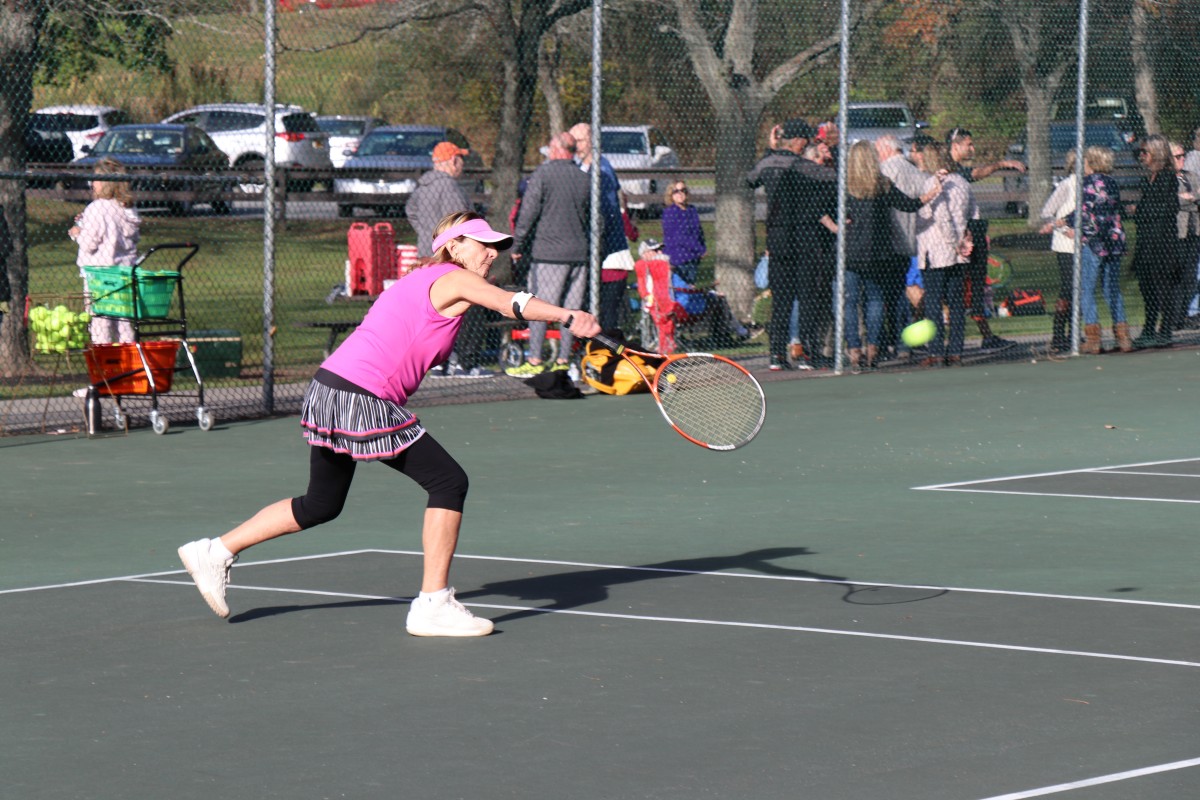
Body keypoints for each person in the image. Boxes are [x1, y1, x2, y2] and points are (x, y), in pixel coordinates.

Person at [176, 211, 601, 636]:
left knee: (321, 503)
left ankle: (216, 550)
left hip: (331, 385)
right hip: (360, 392)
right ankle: (433, 604)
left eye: (496, 246)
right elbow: (512, 303)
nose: (492, 253)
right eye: (482, 243)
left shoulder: (422, 279)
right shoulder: (453, 277)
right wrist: (569, 316)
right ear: (453, 246)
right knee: (448, 482)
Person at [837, 140, 941, 371]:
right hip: (878, 252)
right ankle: (873, 348)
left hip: (852, 251)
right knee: (875, 300)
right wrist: (931, 194)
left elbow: (833, 211)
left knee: (851, 301)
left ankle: (855, 349)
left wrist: (838, 224)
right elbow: (908, 204)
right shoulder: (882, 184)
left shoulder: (845, 186)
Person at [746, 118, 836, 370]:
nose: (806, 143)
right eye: (804, 140)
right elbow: (831, 178)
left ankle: (776, 355)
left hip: (777, 239)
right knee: (807, 296)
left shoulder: (768, 163)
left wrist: (770, 150)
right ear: (797, 141)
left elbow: (750, 179)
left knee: (782, 300)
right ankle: (808, 353)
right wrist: (829, 159)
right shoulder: (800, 165)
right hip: (803, 238)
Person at [406, 141, 492, 377]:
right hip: (453, 257)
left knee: (438, 309)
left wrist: (426, 232)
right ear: (453, 161)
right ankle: (467, 362)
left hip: (429, 256)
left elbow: (410, 210)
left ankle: (441, 363)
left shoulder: (423, 186)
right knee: (469, 304)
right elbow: (463, 224)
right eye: (460, 159)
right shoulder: (450, 188)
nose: (462, 164)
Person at [508, 131, 591, 376]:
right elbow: (595, 219)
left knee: (541, 307)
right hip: (579, 254)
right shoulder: (584, 178)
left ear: (556, 149)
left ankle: (534, 360)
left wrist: (518, 245)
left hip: (549, 255)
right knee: (571, 309)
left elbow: (527, 213)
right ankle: (563, 360)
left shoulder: (543, 175)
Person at [945, 127, 1023, 352]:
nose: (973, 148)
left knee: (976, 287)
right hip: (959, 236)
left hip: (973, 231)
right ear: (955, 145)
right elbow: (976, 174)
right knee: (946, 288)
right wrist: (1000, 164)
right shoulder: (946, 170)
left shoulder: (957, 170)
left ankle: (987, 337)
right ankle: (934, 339)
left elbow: (974, 173)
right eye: (968, 144)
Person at [1065, 146, 1130, 354]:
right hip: (1114, 240)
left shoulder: (1087, 183)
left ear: (1091, 163)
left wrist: (1067, 222)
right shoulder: (1112, 183)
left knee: (1087, 289)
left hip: (1095, 242)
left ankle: (1094, 339)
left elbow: (1085, 212)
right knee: (1111, 288)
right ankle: (1124, 336)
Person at [69, 158, 140, 344]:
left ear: (106, 183)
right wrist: (86, 221)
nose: (92, 183)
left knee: (100, 321)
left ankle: (104, 362)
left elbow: (89, 244)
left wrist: (78, 233)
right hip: (123, 273)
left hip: (99, 275)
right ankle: (129, 358)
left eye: (96, 179)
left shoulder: (97, 208)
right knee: (123, 321)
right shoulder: (126, 208)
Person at [568, 122, 630, 332]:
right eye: (573, 140)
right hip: (584, 247)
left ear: (592, 142)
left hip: (607, 249)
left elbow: (607, 209)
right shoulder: (578, 167)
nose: (576, 145)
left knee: (605, 309)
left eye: (580, 141)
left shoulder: (602, 170)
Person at [916, 142, 974, 366]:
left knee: (933, 301)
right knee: (956, 301)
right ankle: (956, 350)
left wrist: (955, 243)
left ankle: (937, 351)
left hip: (938, 251)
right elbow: (971, 213)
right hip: (957, 253)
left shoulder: (933, 183)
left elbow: (942, 217)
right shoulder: (962, 182)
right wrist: (965, 238)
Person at [875, 134, 932, 360]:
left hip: (890, 239)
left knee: (883, 294)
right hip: (911, 239)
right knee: (900, 293)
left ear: (887, 150)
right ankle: (903, 343)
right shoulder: (915, 171)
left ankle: (886, 343)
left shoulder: (887, 170)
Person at [1128, 134, 1180, 349]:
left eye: (1145, 152)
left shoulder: (1168, 178)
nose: (1142, 156)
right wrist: (1138, 212)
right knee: (1147, 287)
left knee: (1163, 287)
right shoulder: (1146, 180)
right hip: (1146, 241)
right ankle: (1149, 329)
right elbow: (1146, 213)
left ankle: (1165, 329)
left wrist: (1140, 210)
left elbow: (1167, 208)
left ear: (1156, 154)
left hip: (1162, 242)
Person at [1037, 150, 1080, 353]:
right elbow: (1047, 211)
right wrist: (1064, 229)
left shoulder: (1089, 185)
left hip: (1083, 245)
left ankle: (1074, 333)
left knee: (1079, 290)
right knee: (1068, 288)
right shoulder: (1067, 185)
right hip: (1066, 245)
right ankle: (1058, 334)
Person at [660, 181, 706, 285]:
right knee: (681, 288)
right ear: (671, 194)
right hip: (678, 258)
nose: (680, 194)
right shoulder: (670, 212)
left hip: (693, 256)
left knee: (691, 286)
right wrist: (699, 249)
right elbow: (679, 237)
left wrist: (703, 247)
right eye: (676, 191)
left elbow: (699, 231)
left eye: (683, 190)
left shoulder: (691, 210)